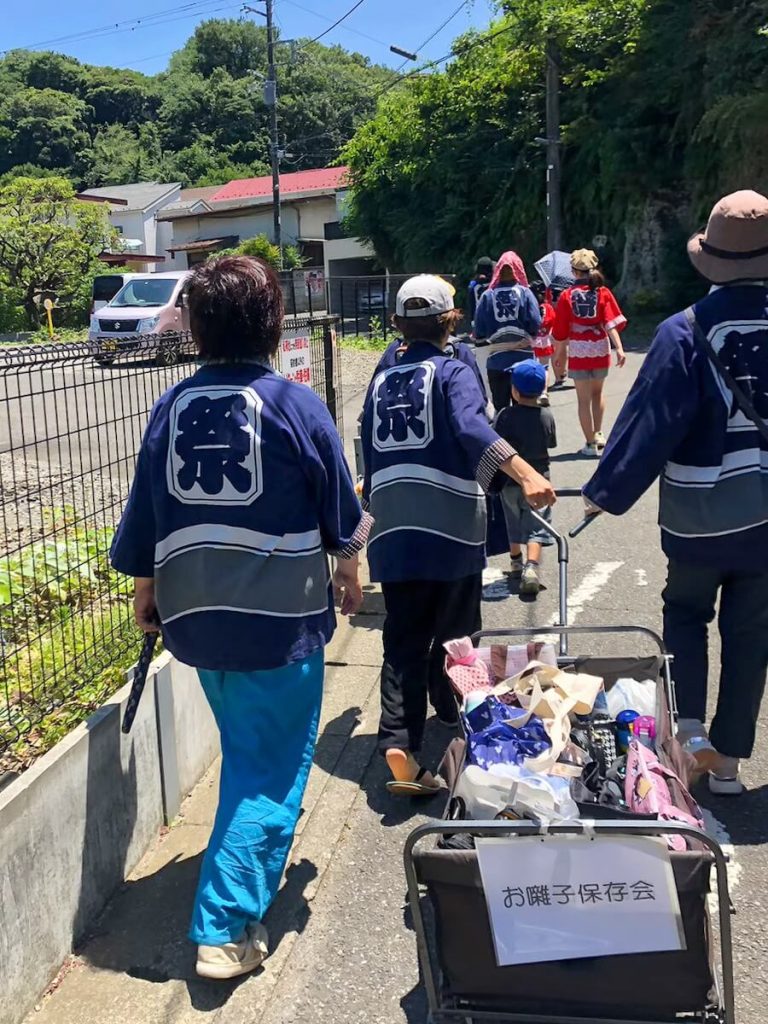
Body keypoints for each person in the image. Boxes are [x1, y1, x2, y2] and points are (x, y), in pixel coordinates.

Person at [110, 256, 371, 978]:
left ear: (195, 326)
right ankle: (224, 930)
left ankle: (232, 872)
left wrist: (145, 589)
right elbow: (339, 511)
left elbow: (146, 511)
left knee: (247, 744)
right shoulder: (292, 403)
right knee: (269, 769)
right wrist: (349, 563)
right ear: (272, 320)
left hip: (196, 617)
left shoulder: (171, 406)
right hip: (277, 623)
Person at [583, 190, 768, 796]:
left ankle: (690, 740)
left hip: (700, 514)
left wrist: (603, 493)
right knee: (752, 630)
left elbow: (649, 423)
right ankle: (732, 765)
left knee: (687, 614)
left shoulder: (685, 330)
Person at [360, 275, 556, 796]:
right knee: (459, 631)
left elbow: (367, 447)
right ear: (452, 321)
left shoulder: (381, 377)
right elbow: (472, 428)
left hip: (392, 522)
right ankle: (458, 711)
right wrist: (525, 473)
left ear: (398, 324)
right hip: (448, 519)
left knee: (403, 634)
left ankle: (398, 738)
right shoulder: (452, 370)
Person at [551, 249, 627, 456]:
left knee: (583, 399)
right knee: (597, 394)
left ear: (573, 272)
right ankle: (599, 432)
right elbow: (611, 323)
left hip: (578, 350)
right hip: (600, 348)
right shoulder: (602, 292)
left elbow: (561, 330)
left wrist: (558, 355)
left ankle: (589, 443)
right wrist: (619, 348)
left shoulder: (567, 295)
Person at [494, 360, 557, 595]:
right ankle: (532, 567)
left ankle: (515, 561)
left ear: (514, 391)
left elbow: (496, 445)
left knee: (511, 521)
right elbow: (551, 443)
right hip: (539, 479)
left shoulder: (504, 415)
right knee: (536, 526)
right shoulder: (546, 416)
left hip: (509, 480)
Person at [372, 307, 489, 408]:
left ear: (398, 323)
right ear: (450, 322)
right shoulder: (458, 357)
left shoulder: (392, 353)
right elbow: (480, 404)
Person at [473, 251, 542, 412]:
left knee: (501, 410)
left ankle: (503, 437)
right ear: (519, 270)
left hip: (497, 361)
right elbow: (535, 323)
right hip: (524, 360)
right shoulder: (525, 293)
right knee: (525, 409)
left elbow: (479, 331)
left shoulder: (487, 296)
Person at [529, 280, 556, 405]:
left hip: (531, 340)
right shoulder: (548, 307)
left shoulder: (529, 307)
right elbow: (554, 323)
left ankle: (533, 391)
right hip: (545, 340)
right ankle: (544, 392)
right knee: (545, 368)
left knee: (532, 367)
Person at [467, 256, 495, 325]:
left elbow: (472, 304)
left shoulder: (473, 285)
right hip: (494, 318)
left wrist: (472, 320)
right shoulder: (495, 284)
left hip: (479, 319)